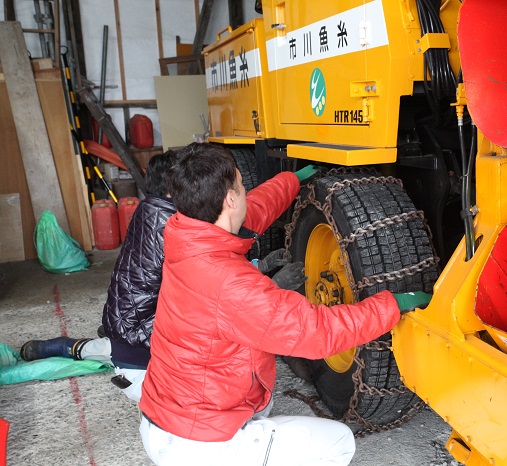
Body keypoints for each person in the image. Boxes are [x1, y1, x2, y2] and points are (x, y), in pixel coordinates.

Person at [138, 142, 431, 466]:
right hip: (198, 444)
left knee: (264, 407)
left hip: (167, 418)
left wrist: (293, 180)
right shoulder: (229, 283)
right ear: (231, 198)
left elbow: (254, 211)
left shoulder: (186, 234)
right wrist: (392, 305)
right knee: (337, 442)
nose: (246, 192)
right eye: (241, 184)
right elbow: (315, 332)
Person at [19, 151, 305, 403]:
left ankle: (59, 346)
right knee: (231, 351)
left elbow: (253, 209)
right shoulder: (178, 234)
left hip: (128, 334)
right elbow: (220, 301)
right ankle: (68, 347)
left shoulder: (154, 214)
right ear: (175, 194)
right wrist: (268, 280)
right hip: (153, 366)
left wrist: (293, 179)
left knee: (108, 350)